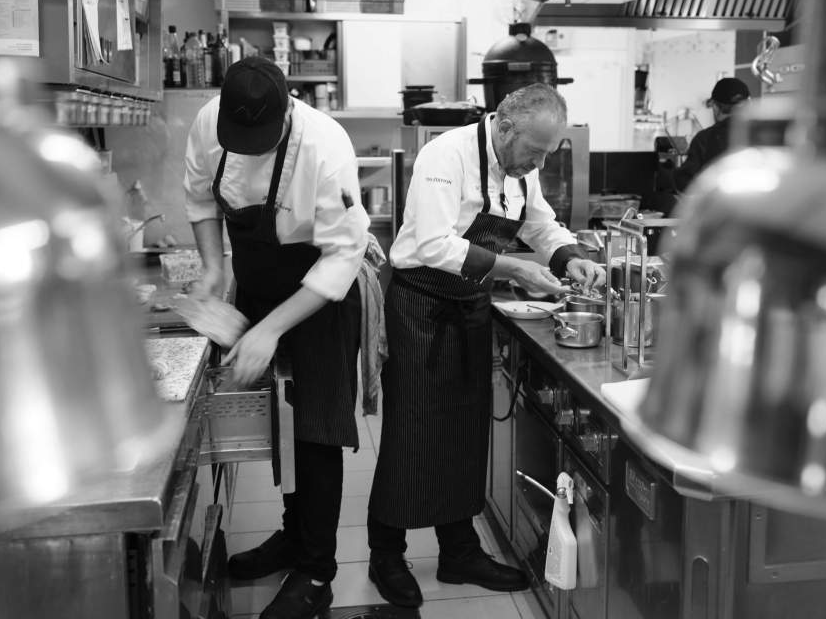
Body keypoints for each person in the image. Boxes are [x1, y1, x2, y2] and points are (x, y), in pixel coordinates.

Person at [366, 83, 606, 608]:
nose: (539, 162)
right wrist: (515, 267)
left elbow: (541, 225)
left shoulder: (523, 167)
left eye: (547, 153)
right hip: (421, 307)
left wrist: (569, 257)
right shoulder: (444, 156)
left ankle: (459, 552)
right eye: (534, 151)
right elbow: (431, 243)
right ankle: (386, 553)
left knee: (465, 432)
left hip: (470, 307)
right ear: (503, 127)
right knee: (412, 433)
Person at [183, 56, 369, 619]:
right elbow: (198, 197)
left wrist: (268, 330)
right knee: (276, 421)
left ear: (288, 111)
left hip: (319, 292)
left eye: (259, 140)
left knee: (316, 431)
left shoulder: (327, 146)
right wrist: (215, 271)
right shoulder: (210, 122)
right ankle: (293, 534)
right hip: (258, 283)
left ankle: (317, 572)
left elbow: (343, 254)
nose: (248, 147)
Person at [669, 76, 750, 191]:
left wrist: (671, 172)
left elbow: (686, 184)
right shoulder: (763, 135)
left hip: (719, 207)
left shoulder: (705, 139)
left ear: (715, 107)